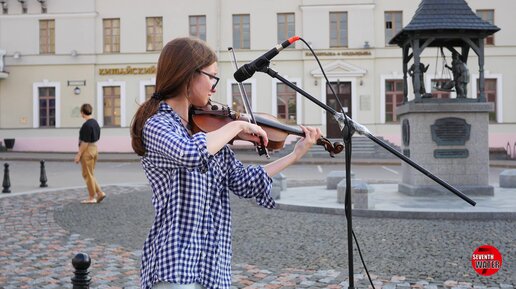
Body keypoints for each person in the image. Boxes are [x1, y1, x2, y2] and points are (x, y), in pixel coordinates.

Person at [130, 37, 322, 289]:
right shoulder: (158, 125)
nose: (213, 87)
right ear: (188, 74)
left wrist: (294, 155)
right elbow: (190, 154)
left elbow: (243, 182)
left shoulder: (204, 131)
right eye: (212, 77)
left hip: (212, 265)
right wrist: (236, 126)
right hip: (175, 265)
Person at [74, 103, 105, 204]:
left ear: (82, 113)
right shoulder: (95, 123)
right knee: (90, 174)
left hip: (87, 150)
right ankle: (100, 193)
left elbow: (85, 142)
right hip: (95, 148)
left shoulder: (86, 125)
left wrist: (78, 154)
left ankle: (92, 197)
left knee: (87, 174)